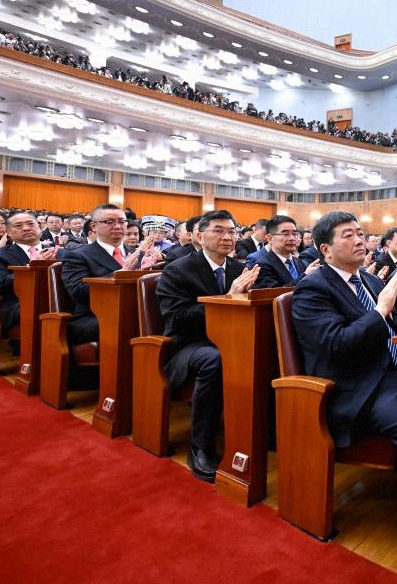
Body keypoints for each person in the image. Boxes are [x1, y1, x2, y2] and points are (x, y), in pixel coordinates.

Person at [289, 211, 397, 567]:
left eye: (360, 232)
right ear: (325, 249)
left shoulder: (369, 280)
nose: (360, 240)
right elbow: (337, 345)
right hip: (355, 387)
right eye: (348, 235)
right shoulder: (312, 289)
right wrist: (381, 311)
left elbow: (387, 331)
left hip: (391, 372)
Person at [156, 210, 260, 483]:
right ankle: (200, 445)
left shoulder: (238, 269)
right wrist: (227, 299)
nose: (228, 237)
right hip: (187, 346)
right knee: (215, 359)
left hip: (229, 341)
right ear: (200, 237)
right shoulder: (178, 269)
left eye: (232, 231)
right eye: (219, 230)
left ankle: (264, 431)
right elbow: (177, 318)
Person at [61, 204, 140, 346]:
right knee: (132, 320)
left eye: (122, 222)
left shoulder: (138, 254)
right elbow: (78, 291)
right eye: (110, 222)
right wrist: (120, 274)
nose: (118, 226)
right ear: (93, 226)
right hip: (93, 316)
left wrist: (146, 272)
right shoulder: (77, 256)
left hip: (133, 310)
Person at [0, 211, 58, 334]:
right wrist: (31, 267)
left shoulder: (60, 253)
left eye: (30, 224)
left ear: (40, 227)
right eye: (18, 226)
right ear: (8, 232)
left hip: (58, 300)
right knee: (43, 306)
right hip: (18, 304)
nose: (26, 228)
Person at [253, 215, 319, 288]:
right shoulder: (262, 266)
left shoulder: (300, 263)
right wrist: (305, 275)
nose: (292, 238)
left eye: (294, 234)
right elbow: (275, 293)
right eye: (286, 234)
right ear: (270, 238)